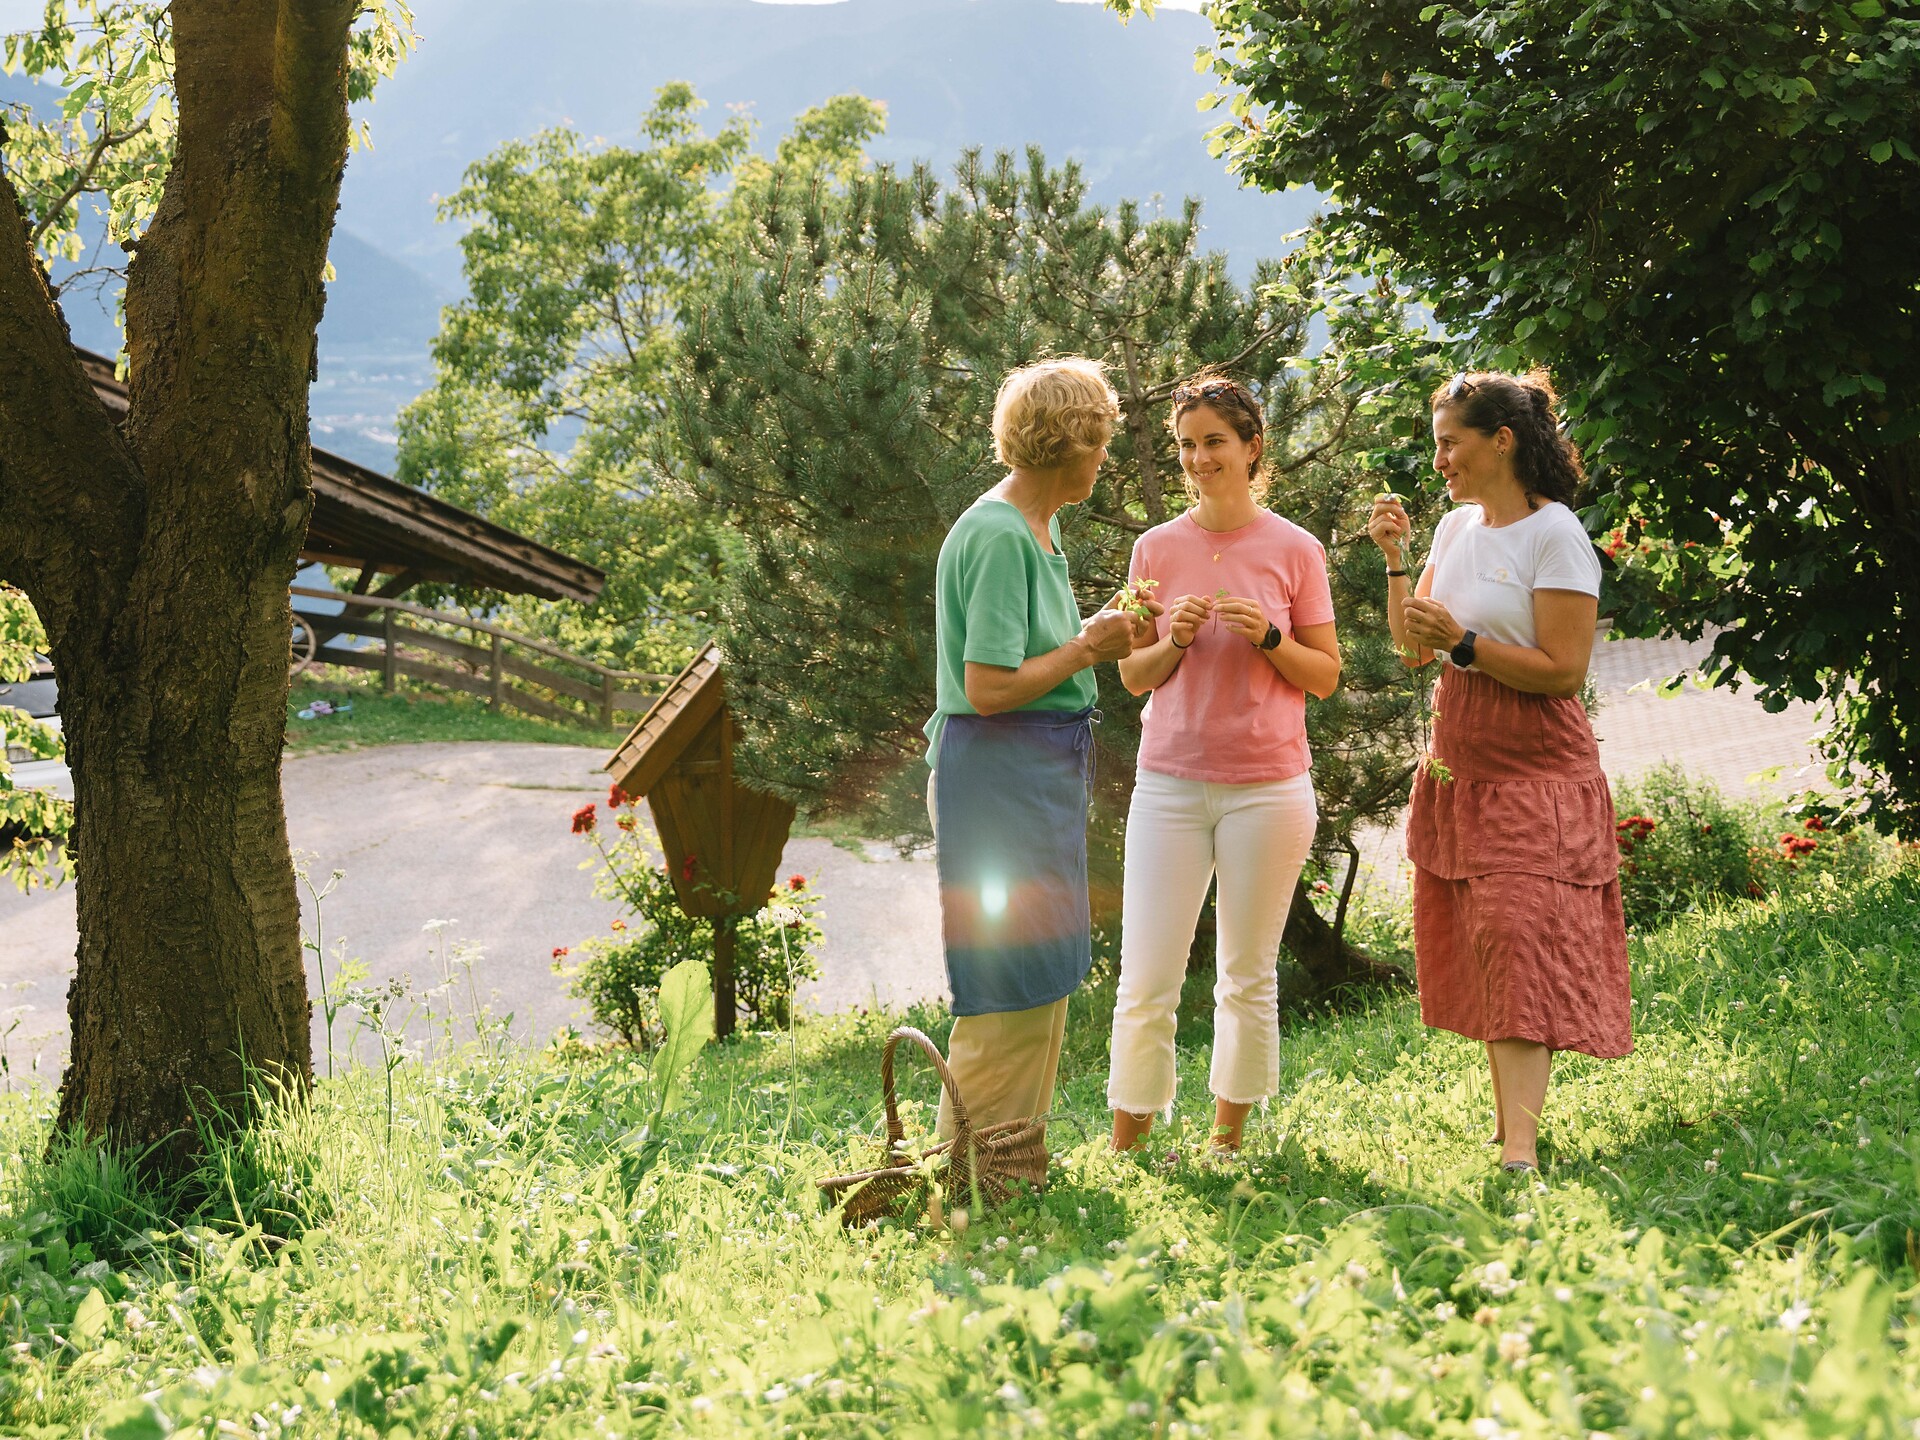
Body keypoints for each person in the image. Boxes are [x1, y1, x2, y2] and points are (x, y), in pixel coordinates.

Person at [1368, 368, 1631, 1174]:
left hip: (1536, 758)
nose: (1439, 458)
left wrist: (1467, 645)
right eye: (1437, 442)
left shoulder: (1555, 535)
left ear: (1502, 441)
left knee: (1519, 934)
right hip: (1463, 754)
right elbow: (1415, 649)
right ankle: (1508, 1127)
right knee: (1490, 938)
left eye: (1451, 441)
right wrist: (1395, 562)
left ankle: (1520, 1148)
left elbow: (1562, 669)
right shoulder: (1453, 531)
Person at [1106, 373, 1341, 1155]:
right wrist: (1171, 639)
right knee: (1147, 977)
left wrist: (1271, 639)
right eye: (1186, 445)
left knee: (1246, 973)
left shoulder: (1295, 549)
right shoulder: (1155, 548)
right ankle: (1129, 1143)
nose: (1200, 458)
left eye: (1214, 442)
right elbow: (1132, 677)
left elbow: (1327, 675)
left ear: (1251, 448)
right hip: (1169, 785)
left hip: (1269, 791)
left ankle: (1227, 1140)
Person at [925, 356, 1158, 1142]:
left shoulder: (1036, 528)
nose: (1104, 458)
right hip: (998, 776)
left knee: (1040, 970)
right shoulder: (997, 535)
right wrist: (1088, 650)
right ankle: (968, 1167)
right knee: (1007, 979)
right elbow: (988, 687)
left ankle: (1010, 1153)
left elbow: (1030, 654)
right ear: (1067, 441)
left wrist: (1096, 631)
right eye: (1099, 443)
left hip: (1034, 770)